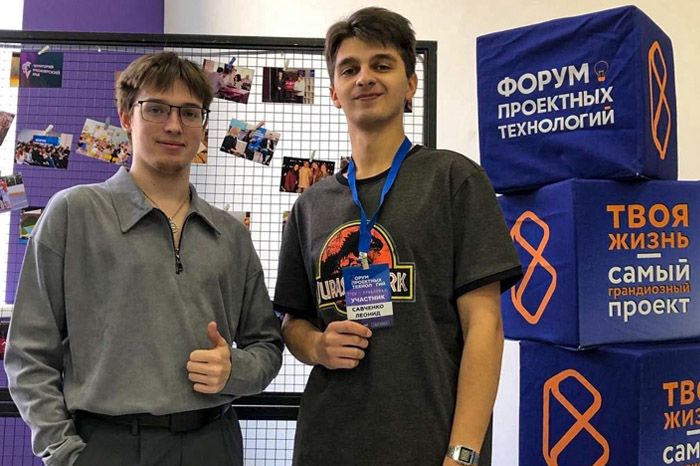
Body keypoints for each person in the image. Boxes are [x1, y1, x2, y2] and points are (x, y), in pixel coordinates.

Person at [5, 51, 283, 466]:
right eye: (156, 109)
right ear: (125, 117)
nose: (174, 125)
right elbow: (28, 352)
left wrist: (234, 370)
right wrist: (62, 451)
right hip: (106, 445)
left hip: (212, 443)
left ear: (203, 126)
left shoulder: (230, 235)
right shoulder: (74, 214)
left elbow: (267, 345)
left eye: (190, 112)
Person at [274, 7, 522, 466]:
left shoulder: (454, 180)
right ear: (334, 93)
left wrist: (463, 453)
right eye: (350, 69)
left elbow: (485, 327)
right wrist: (317, 347)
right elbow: (294, 322)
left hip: (430, 444)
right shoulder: (310, 206)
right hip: (328, 445)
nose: (364, 78)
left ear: (410, 84)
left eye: (381, 64)